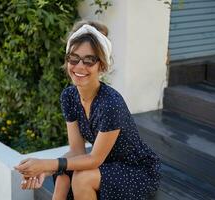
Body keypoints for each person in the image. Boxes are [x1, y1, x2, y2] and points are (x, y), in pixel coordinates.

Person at [14, 20, 161, 200]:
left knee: (81, 178)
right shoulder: (69, 96)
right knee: (62, 175)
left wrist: (46, 164)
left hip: (136, 171)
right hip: (103, 166)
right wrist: (46, 169)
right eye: (73, 58)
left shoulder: (111, 103)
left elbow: (94, 160)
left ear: (102, 65)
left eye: (89, 60)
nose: (79, 66)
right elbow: (77, 151)